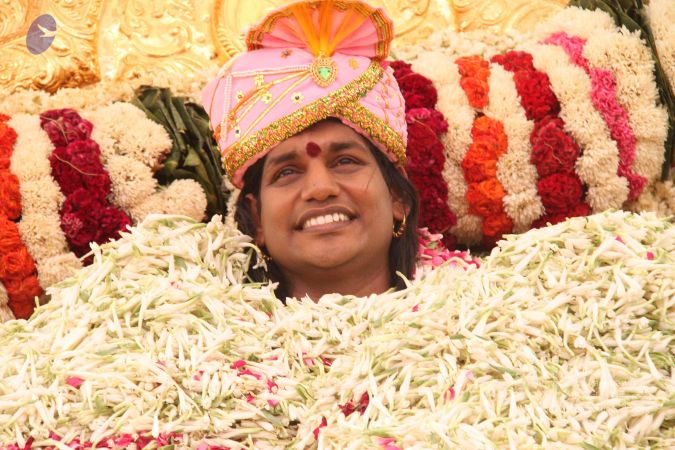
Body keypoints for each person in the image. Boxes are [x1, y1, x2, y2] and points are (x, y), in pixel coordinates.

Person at [202, 0, 419, 300]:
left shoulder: (479, 316)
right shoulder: (195, 330)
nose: (320, 189)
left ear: (397, 196)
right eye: (286, 172)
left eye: (345, 161)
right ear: (257, 219)